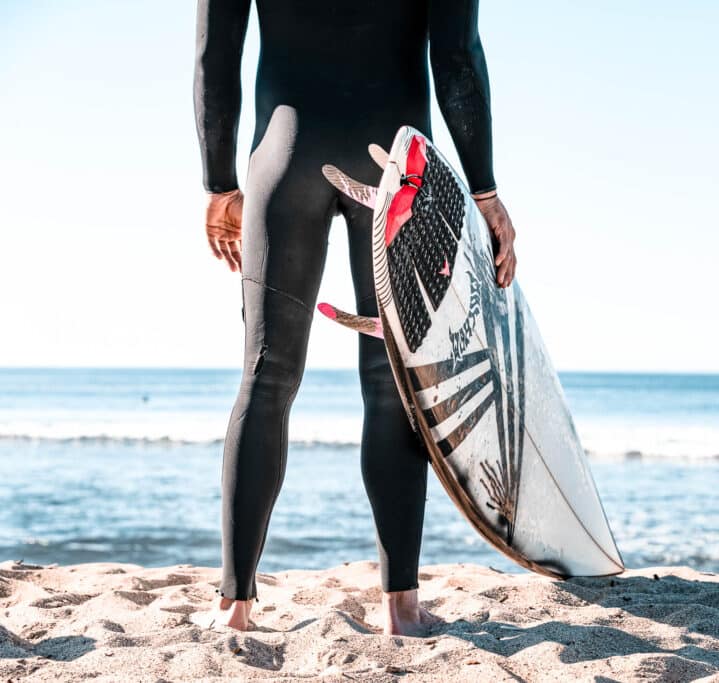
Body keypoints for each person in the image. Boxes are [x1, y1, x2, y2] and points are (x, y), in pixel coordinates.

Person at [194, 0, 518, 637]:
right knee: (393, 384)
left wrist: (218, 183)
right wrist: (483, 188)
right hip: (396, 167)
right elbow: (456, 57)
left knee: (267, 376)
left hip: (285, 161)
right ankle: (400, 608)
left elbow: (215, 57)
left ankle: (235, 608)